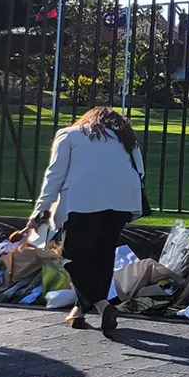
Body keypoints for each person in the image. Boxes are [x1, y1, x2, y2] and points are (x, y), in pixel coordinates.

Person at [22, 107, 146, 336]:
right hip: (122, 201)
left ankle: (101, 305)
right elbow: (141, 171)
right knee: (103, 255)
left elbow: (54, 176)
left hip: (82, 202)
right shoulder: (126, 138)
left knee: (74, 258)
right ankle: (79, 310)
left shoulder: (70, 135)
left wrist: (40, 210)